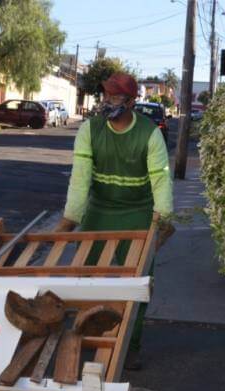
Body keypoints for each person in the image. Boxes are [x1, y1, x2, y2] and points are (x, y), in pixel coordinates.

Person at [57, 72, 173, 370]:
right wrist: (70, 218)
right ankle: (85, 336)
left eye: (114, 97)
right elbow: (80, 179)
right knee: (84, 278)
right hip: (99, 211)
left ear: (132, 102)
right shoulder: (90, 130)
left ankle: (130, 346)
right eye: (105, 96)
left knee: (137, 284)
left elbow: (160, 179)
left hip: (137, 213)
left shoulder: (149, 134)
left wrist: (162, 217)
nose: (107, 102)